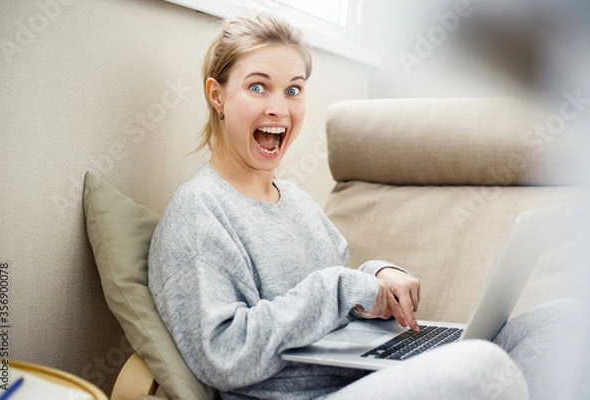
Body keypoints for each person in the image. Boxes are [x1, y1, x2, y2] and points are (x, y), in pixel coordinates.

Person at [148, 13, 575, 400]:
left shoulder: (293, 200)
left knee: (566, 323)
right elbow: (223, 354)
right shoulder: (198, 212)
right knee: (482, 366)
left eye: (293, 89)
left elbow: (341, 293)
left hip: (367, 376)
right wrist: (343, 288)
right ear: (217, 96)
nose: (278, 107)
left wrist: (377, 277)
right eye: (257, 87)